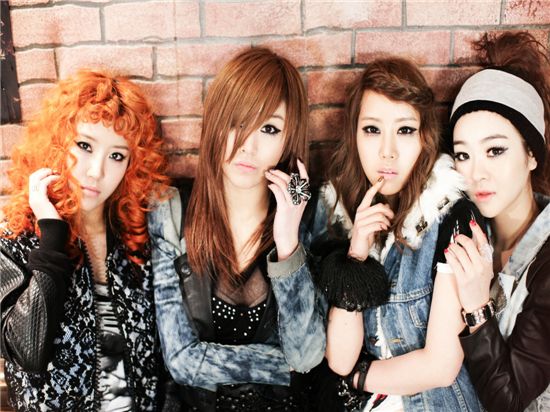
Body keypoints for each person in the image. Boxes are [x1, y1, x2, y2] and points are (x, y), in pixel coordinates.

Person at [148, 47, 326, 411]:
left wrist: (288, 243)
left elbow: (307, 355)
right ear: (215, 121)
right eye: (237, 122)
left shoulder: (309, 216)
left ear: (288, 139)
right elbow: (181, 361)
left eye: (269, 128)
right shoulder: (171, 213)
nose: (249, 145)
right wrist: (283, 367)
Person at [0, 70, 171, 411]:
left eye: (116, 156)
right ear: (58, 143)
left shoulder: (136, 238)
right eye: (85, 146)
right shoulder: (15, 237)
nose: (96, 171)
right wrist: (52, 237)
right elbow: (26, 351)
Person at [319, 57, 483, 411]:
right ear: (354, 136)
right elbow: (341, 359)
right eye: (372, 129)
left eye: (405, 130)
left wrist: (358, 379)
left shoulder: (451, 215)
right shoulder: (343, 218)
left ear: (425, 138)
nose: (387, 152)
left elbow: (441, 366)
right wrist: (357, 256)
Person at [446, 31, 550, 412]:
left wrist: (477, 306)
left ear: (531, 154)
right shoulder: (465, 233)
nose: (477, 173)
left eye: (495, 150)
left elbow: (510, 401)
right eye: (463, 155)